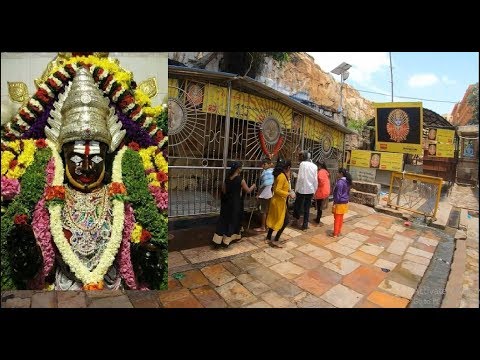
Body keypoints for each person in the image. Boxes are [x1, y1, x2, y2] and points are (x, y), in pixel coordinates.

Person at [4, 68, 166, 290]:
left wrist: (143, 251)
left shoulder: (119, 194)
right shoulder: (51, 194)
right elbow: (40, 253)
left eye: (96, 158)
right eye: (78, 158)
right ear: (64, 157)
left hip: (112, 286)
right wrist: (26, 248)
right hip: (64, 288)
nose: (87, 166)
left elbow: (130, 240)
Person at [212, 161, 256, 246]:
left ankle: (217, 240)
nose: (241, 169)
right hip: (235, 203)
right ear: (238, 169)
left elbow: (224, 191)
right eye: (241, 168)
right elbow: (248, 190)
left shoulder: (227, 178)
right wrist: (253, 186)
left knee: (224, 219)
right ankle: (226, 240)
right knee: (233, 220)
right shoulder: (240, 180)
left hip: (226, 203)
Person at [266, 159, 294, 248]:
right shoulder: (282, 176)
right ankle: (276, 239)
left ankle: (268, 237)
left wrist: (289, 190)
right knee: (285, 221)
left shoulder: (281, 175)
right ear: (288, 167)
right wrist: (288, 194)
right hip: (279, 202)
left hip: (278, 201)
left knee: (275, 219)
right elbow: (277, 190)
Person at [293, 150, 318, 230]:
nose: (299, 157)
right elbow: (315, 180)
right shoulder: (314, 166)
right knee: (307, 208)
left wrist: (296, 189)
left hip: (302, 190)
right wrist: (314, 190)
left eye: (300, 156)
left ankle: (295, 221)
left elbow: (300, 178)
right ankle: (305, 225)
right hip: (310, 190)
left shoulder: (302, 164)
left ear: (304, 157)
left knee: (297, 206)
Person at [254, 158, 274, 232]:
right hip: (269, 194)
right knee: (266, 210)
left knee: (263, 211)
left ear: (269, 164)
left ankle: (263, 227)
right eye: (262, 164)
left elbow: (265, 184)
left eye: (265, 164)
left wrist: (258, 194)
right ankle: (267, 225)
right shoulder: (271, 171)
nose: (263, 166)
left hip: (264, 194)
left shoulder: (267, 172)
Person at [331, 168, 352, 238]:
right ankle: (338, 231)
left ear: (341, 174)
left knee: (337, 219)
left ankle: (335, 233)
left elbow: (338, 194)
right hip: (345, 202)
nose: (337, 174)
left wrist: (335, 202)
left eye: (338, 173)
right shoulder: (347, 181)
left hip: (339, 203)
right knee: (340, 218)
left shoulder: (340, 182)